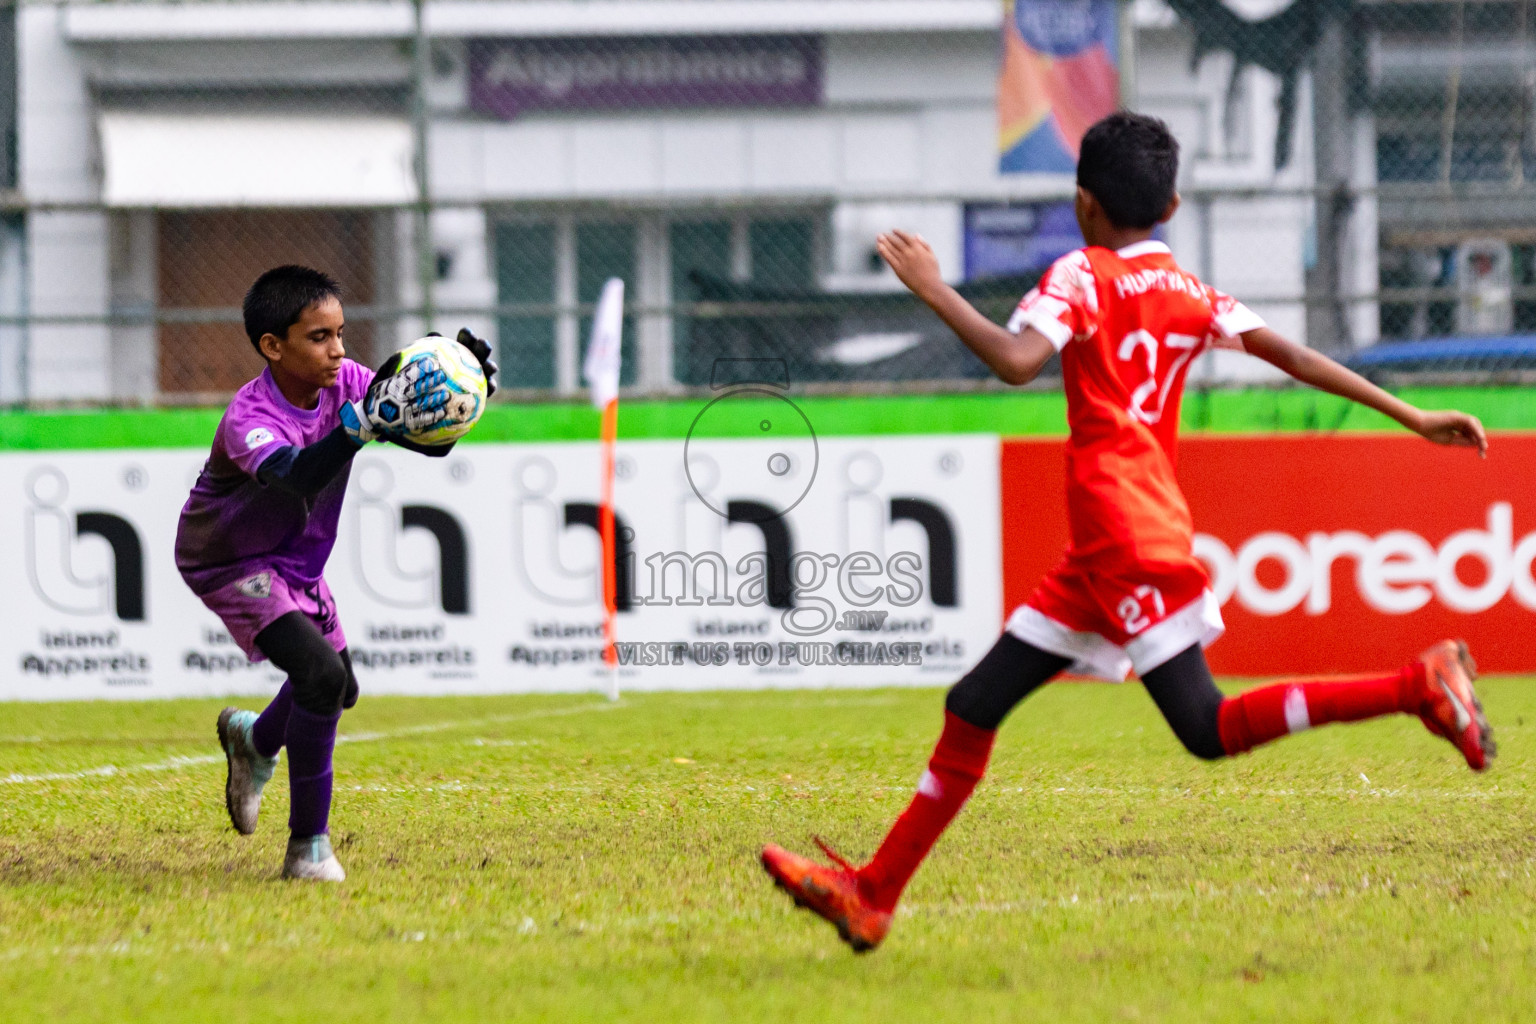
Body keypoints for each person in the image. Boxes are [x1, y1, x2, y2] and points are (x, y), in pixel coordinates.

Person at [759, 112, 1494, 952]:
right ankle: (872, 894)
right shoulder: (1191, 294)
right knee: (974, 704)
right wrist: (1410, 413)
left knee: (1206, 728)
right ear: (1173, 203)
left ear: (1083, 204)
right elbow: (1296, 357)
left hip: (1121, 532)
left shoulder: (1081, 274)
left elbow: (1016, 359)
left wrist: (932, 288)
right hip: (1112, 539)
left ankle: (1416, 687)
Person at [176, 265, 496, 881]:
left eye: (341, 333)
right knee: (319, 676)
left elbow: (431, 443)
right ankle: (308, 849)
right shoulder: (249, 417)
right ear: (273, 346)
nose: (340, 350)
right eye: (320, 337)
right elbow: (298, 473)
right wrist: (360, 425)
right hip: (229, 562)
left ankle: (255, 742)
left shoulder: (347, 382)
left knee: (338, 688)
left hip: (297, 563)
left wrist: (467, 389)